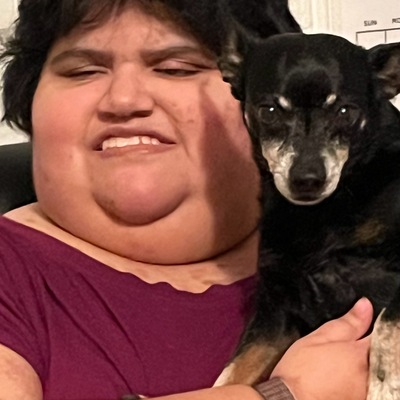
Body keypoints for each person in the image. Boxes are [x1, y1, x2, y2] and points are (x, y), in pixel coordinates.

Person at [0, 1, 373, 399]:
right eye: (82, 71)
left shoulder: (373, 244)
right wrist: (284, 394)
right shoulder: (11, 266)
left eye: (176, 68)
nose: (123, 100)